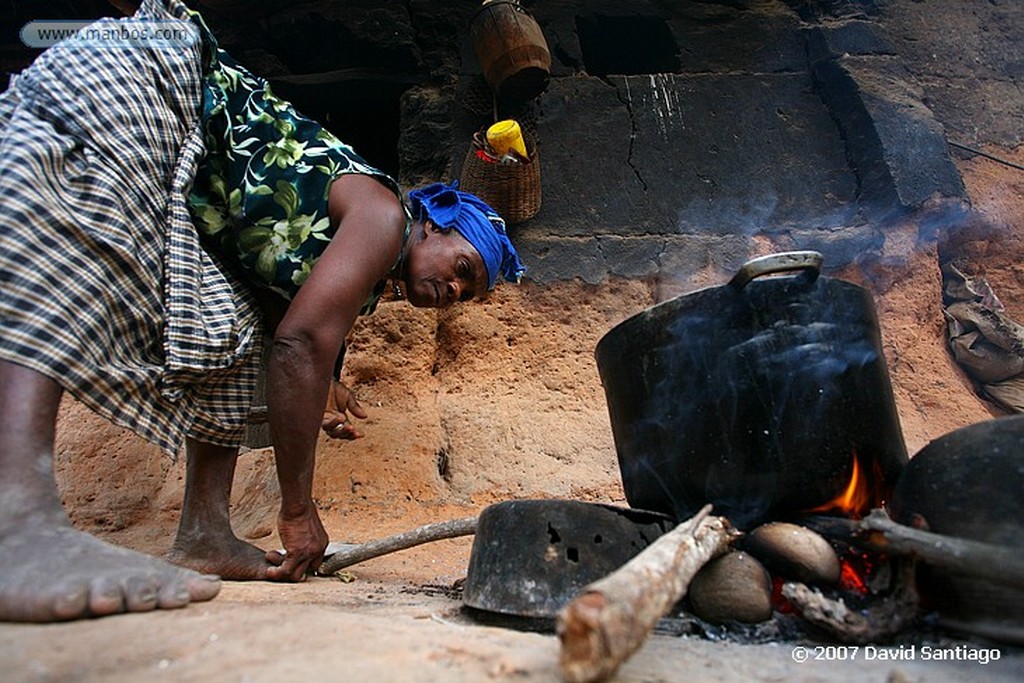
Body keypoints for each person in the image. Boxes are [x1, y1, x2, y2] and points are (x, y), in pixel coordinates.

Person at [0, 0, 525, 622]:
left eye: (468, 294)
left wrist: (328, 382)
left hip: (186, 151)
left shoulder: (369, 272)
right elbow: (299, 344)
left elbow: (289, 332)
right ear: (433, 224)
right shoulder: (385, 216)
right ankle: (16, 520)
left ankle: (203, 533)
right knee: (79, 210)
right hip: (165, 72)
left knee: (229, 331)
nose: (454, 292)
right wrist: (297, 509)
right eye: (463, 269)